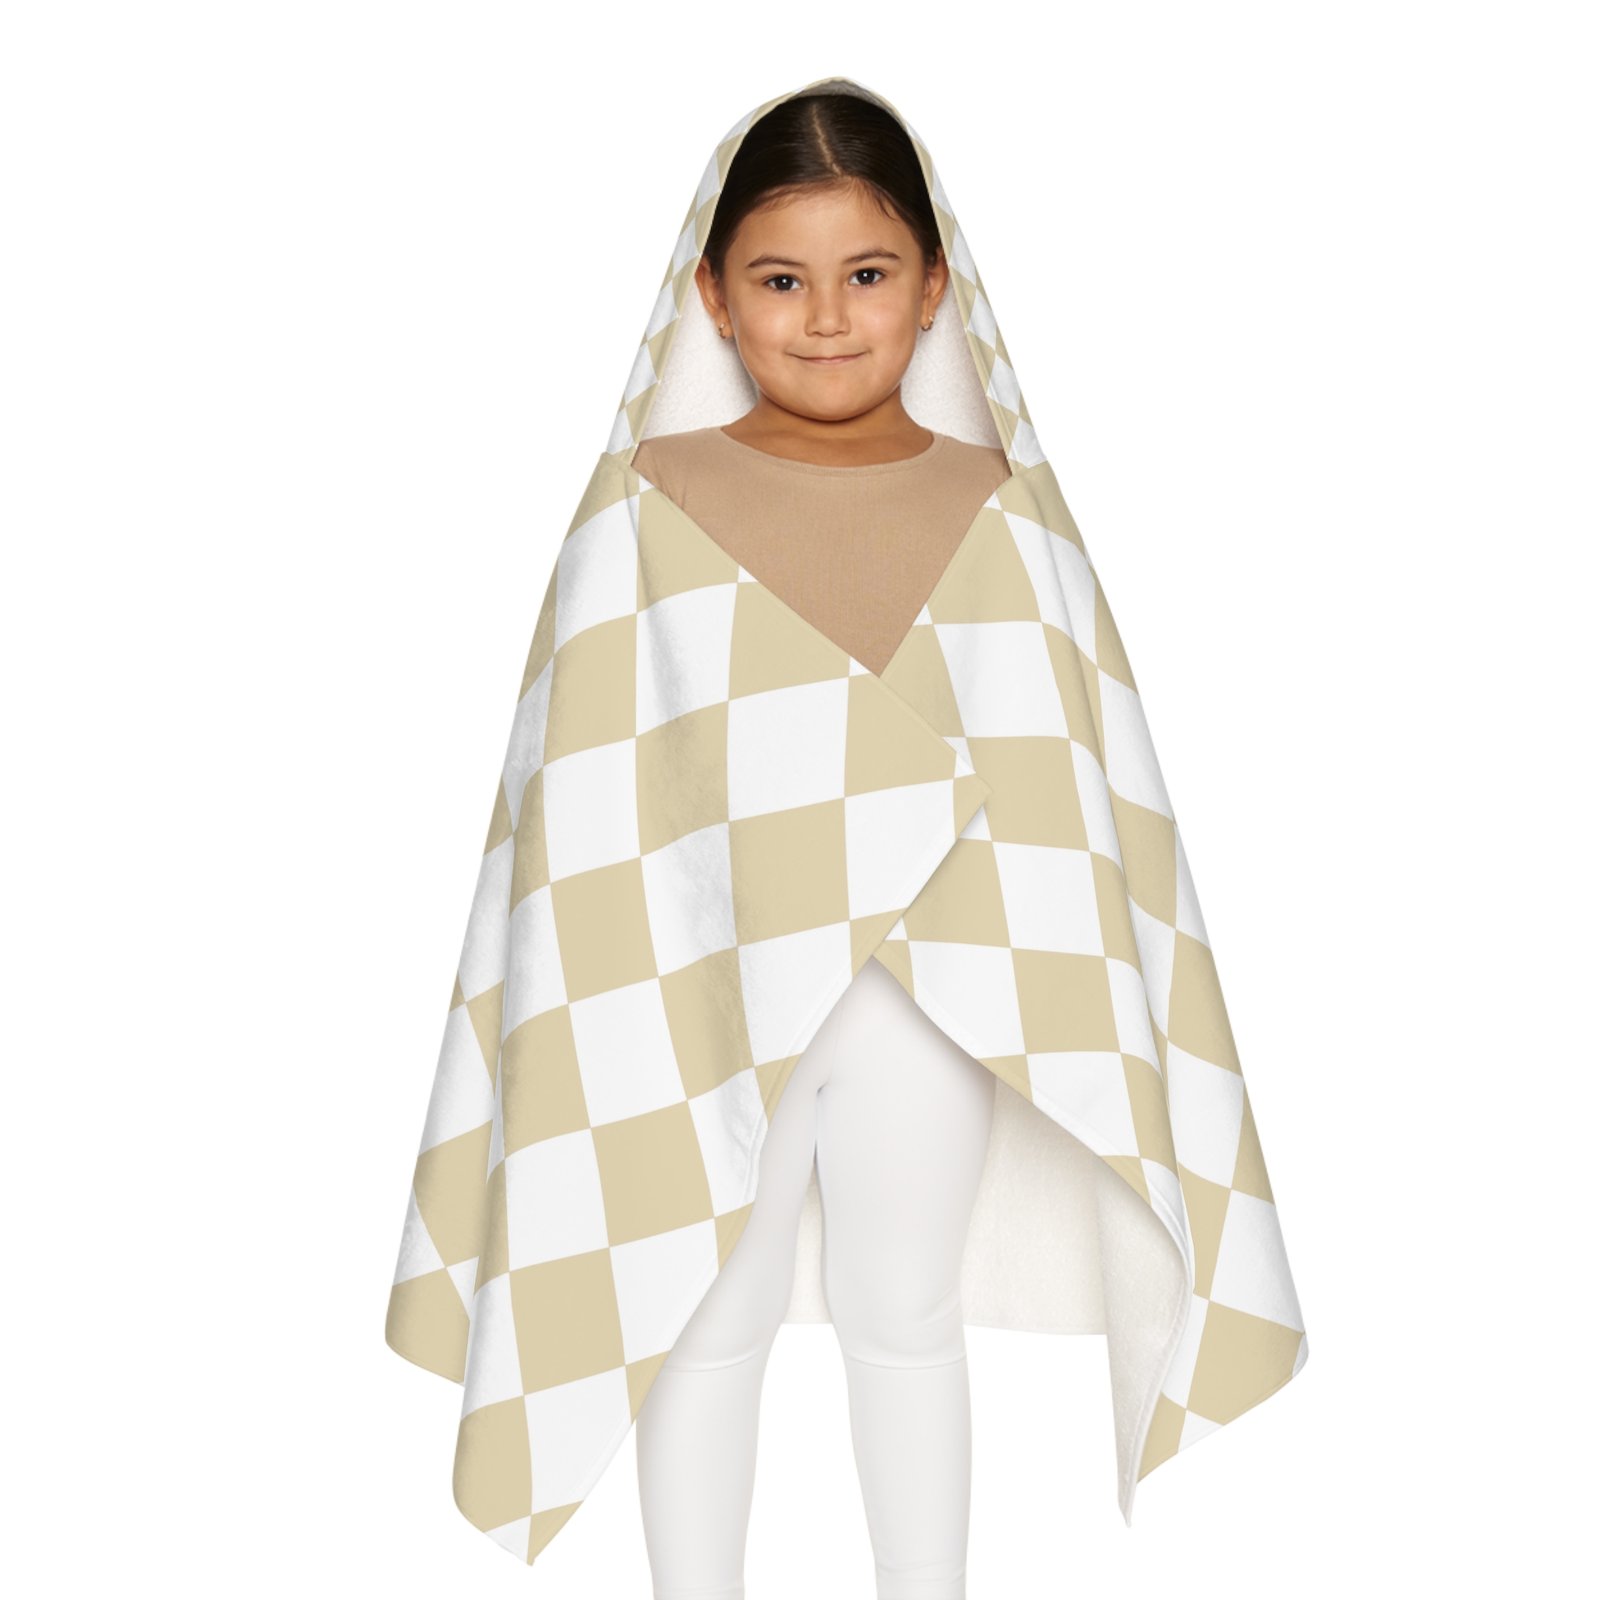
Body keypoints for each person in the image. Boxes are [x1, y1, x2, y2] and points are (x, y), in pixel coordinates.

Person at [629, 90, 1010, 1600]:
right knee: (704, 1316)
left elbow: (1060, 767)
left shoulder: (998, 506)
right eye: (783, 279)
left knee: (905, 1311)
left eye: (868, 273)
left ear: (933, 284)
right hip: (714, 978)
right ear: (716, 297)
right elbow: (600, 771)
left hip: (927, 988)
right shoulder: (653, 498)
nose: (830, 317)